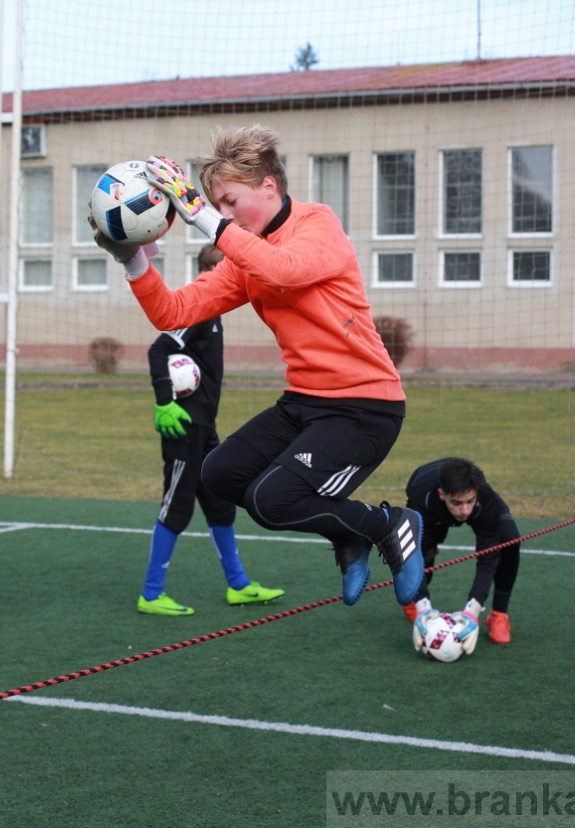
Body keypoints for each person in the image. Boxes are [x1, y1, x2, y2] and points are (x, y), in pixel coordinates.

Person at [92, 124, 425, 607]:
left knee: (273, 501)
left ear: (269, 186)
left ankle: (390, 524)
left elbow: (284, 270)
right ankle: (349, 534)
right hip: (304, 403)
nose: (223, 214)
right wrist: (132, 261)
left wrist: (206, 217)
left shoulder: (318, 223)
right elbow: (172, 313)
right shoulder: (243, 258)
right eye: (216, 205)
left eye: (231, 201)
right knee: (220, 473)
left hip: (365, 407)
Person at [139, 243, 285, 616]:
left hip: (205, 427)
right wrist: (164, 402)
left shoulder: (214, 309)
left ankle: (238, 585)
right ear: (219, 268)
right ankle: (152, 595)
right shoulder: (199, 307)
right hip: (183, 427)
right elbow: (159, 349)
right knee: (177, 507)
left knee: (220, 505)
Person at [402, 457, 520, 644]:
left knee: (509, 540)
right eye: (457, 503)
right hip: (429, 503)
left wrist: (472, 611)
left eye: (469, 501)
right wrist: (422, 606)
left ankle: (498, 616)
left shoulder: (484, 497)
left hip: (476, 499)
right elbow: (412, 553)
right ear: (442, 495)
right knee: (424, 549)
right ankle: (414, 597)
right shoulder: (421, 498)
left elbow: (488, 558)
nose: (465, 511)